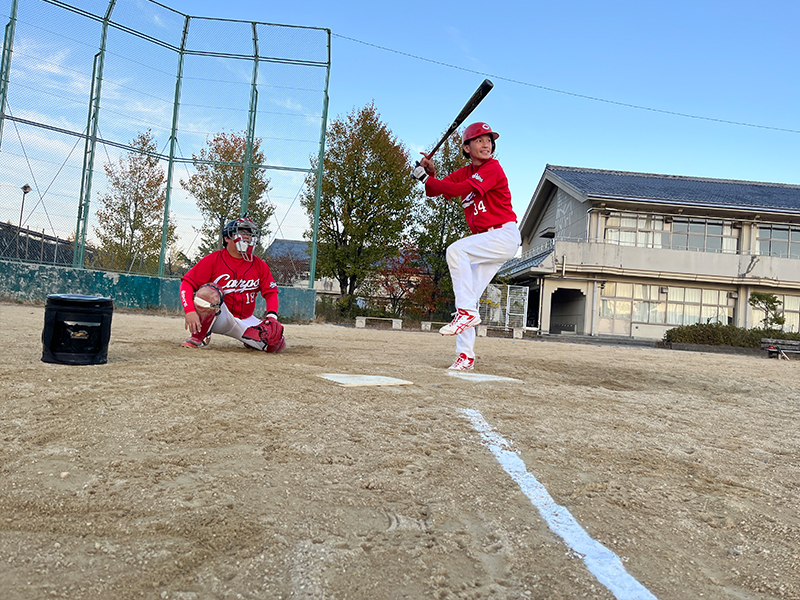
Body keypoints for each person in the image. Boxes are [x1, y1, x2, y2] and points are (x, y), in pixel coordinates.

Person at [412, 122, 520, 371]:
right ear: (466, 147)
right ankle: (465, 357)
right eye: (480, 140)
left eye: (489, 140)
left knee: (455, 250)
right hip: (486, 242)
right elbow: (434, 191)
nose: (487, 145)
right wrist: (429, 173)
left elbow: (460, 189)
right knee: (468, 298)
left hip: (503, 234)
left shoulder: (492, 168)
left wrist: (427, 178)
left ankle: (466, 314)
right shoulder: (465, 171)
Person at [180, 216, 286, 353]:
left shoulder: (260, 265)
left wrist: (272, 317)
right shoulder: (214, 259)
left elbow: (271, 292)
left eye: (249, 234)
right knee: (209, 293)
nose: (247, 237)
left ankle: (250, 341)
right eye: (242, 232)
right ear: (227, 238)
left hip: (246, 318)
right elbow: (187, 284)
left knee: (276, 344)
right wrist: (190, 311)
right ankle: (199, 335)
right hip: (219, 317)